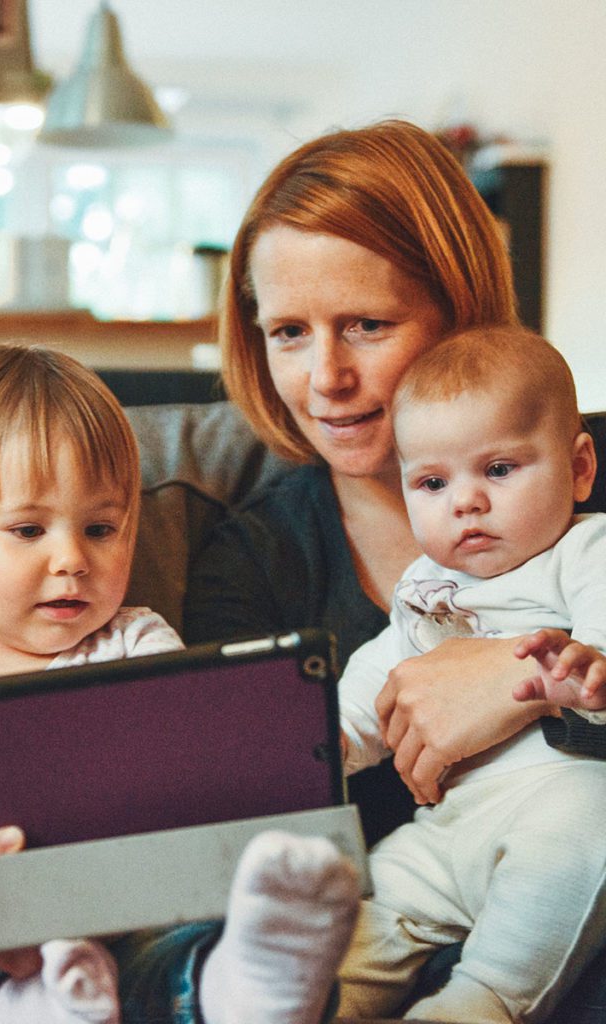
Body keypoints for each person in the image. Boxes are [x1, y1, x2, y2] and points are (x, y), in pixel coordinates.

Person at [0, 343, 360, 1024]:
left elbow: (188, 800)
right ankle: (9, 1010)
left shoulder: (140, 644)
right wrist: (2, 901)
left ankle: (234, 993)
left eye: (101, 528)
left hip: (130, 926)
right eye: (28, 529)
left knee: (223, 913)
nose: (72, 559)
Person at [181, 118, 606, 1020]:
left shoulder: (583, 478)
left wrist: (516, 676)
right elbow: (268, 831)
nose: (326, 376)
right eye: (289, 332)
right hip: (394, 925)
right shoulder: (253, 562)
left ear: (459, 311)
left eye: (367, 325)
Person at [334, 325, 606, 1023]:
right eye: (432, 481)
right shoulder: (427, 584)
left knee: (579, 836)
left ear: (580, 469)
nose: (466, 502)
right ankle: (327, 999)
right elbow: (384, 672)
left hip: (556, 799)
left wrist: (592, 660)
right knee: (373, 899)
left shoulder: (583, 550)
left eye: (500, 470)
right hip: (448, 824)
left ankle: (480, 1000)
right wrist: (329, 739)